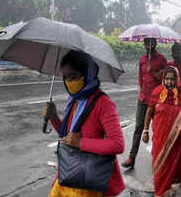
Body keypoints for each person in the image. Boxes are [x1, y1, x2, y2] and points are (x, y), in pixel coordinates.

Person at [44, 50, 125, 197]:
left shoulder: (103, 104)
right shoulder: (75, 99)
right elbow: (67, 136)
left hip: (90, 179)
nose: (69, 82)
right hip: (70, 171)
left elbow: (117, 144)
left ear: (87, 74)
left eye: (73, 76)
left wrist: (81, 142)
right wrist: (53, 117)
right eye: (66, 77)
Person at [142, 66, 181, 197]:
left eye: (172, 79)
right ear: (163, 79)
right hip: (159, 137)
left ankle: (166, 190)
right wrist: (145, 130)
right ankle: (161, 191)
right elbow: (149, 111)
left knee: (173, 165)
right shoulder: (157, 92)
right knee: (160, 166)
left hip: (177, 138)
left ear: (177, 79)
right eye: (166, 79)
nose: (169, 82)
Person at [121, 38, 167, 169]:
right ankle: (131, 158)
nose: (149, 45)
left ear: (155, 44)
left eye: (151, 43)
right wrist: (141, 92)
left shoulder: (162, 59)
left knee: (158, 129)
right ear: (144, 45)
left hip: (157, 100)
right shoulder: (142, 59)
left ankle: (159, 157)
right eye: (147, 43)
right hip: (142, 100)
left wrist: (152, 71)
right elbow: (140, 78)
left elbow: (164, 79)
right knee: (138, 128)